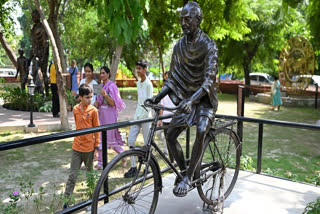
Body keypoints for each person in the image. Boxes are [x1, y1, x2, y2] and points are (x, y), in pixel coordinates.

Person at [148, 2, 218, 197]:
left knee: (202, 129)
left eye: (187, 19)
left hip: (203, 100)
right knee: (170, 136)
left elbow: (209, 79)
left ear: (198, 20)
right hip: (186, 101)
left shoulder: (209, 44)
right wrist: (157, 96)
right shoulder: (179, 45)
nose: (183, 23)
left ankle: (188, 178)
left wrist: (193, 100)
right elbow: (173, 78)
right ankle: (185, 172)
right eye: (181, 20)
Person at [63, 84, 100, 209]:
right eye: (87, 97)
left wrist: (96, 148)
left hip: (89, 149)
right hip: (77, 148)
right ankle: (66, 202)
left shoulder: (94, 111)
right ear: (80, 97)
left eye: (91, 97)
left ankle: (92, 200)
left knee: (90, 176)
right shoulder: (75, 109)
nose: (90, 100)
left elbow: (97, 130)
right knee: (72, 176)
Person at [124, 59, 153, 178]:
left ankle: (148, 169)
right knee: (130, 140)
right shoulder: (139, 83)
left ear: (145, 70)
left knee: (147, 144)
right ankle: (133, 167)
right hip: (137, 116)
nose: (137, 70)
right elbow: (140, 102)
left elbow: (149, 103)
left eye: (139, 68)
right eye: (137, 68)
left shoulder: (148, 84)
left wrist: (142, 116)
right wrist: (137, 115)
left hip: (146, 118)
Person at [94, 66, 126, 170]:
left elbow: (113, 103)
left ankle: (124, 155)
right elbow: (97, 103)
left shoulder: (112, 86)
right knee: (100, 138)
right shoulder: (99, 86)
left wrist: (105, 95)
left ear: (108, 74)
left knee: (111, 140)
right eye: (101, 73)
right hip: (101, 114)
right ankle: (100, 163)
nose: (102, 75)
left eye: (104, 73)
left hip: (110, 114)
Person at [30, 9, 49, 97]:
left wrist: (43, 57)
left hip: (42, 54)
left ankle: (47, 94)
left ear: (38, 16)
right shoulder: (33, 28)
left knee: (44, 73)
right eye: (32, 16)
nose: (32, 18)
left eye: (34, 16)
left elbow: (46, 43)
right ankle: (37, 93)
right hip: (35, 54)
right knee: (35, 72)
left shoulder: (42, 27)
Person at [157, 71, 175, 162]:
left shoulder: (176, 89)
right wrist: (160, 119)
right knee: (168, 142)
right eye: (165, 79)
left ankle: (174, 161)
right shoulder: (163, 90)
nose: (167, 80)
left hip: (174, 119)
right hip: (165, 119)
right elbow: (162, 106)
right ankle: (172, 162)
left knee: (172, 141)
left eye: (169, 78)